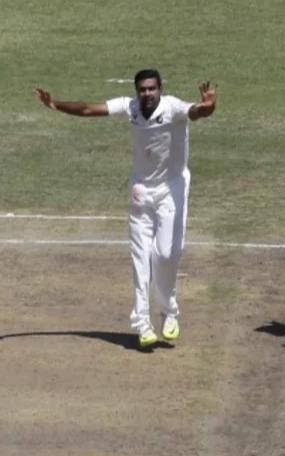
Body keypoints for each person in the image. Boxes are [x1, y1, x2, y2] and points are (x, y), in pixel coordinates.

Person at [35, 71, 217, 349]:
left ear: (160, 89)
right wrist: (55, 104)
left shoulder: (173, 108)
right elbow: (88, 108)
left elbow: (198, 112)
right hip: (141, 190)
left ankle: (169, 312)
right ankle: (143, 323)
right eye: (142, 90)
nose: (147, 94)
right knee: (141, 258)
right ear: (136, 92)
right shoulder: (130, 107)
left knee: (167, 254)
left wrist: (209, 105)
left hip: (172, 188)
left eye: (152, 89)